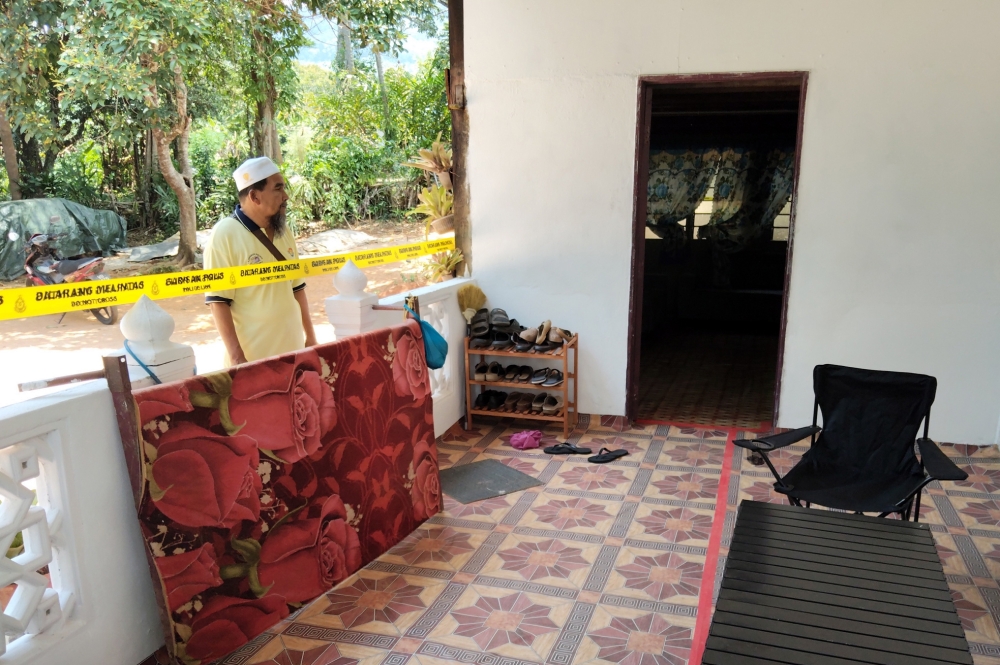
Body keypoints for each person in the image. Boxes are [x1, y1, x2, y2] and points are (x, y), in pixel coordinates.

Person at [204, 157, 317, 366]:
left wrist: (310, 338)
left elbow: (297, 289)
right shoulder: (224, 234)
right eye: (278, 189)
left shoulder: (284, 231)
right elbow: (218, 302)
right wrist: (238, 358)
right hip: (253, 362)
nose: (286, 197)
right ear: (254, 196)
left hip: (294, 355)